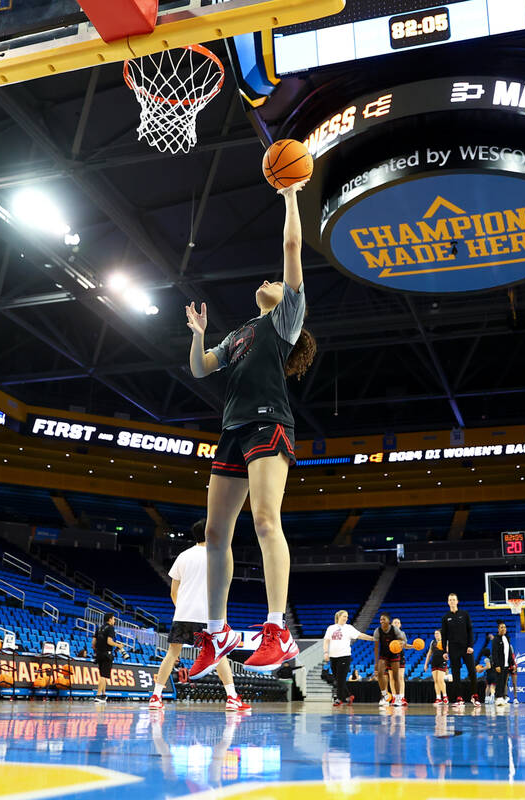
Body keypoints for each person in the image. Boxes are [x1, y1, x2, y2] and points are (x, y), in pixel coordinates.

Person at [185, 180, 317, 680]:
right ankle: (216, 633)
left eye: (279, 282)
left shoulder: (285, 320)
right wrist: (198, 338)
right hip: (233, 430)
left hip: (269, 424)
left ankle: (277, 630)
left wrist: (289, 195)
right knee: (215, 534)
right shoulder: (239, 333)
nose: (272, 280)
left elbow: (290, 246)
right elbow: (200, 370)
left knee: (264, 520)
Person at [148, 519, 249, 711]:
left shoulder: (183, 556)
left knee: (172, 654)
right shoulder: (218, 556)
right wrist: (224, 620)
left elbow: (173, 591)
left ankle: (156, 696)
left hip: (183, 615)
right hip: (209, 616)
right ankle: (232, 698)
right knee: (218, 656)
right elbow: (222, 591)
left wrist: (182, 610)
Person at [323, 610, 374, 707]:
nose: (346, 618)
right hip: (333, 657)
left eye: (347, 617)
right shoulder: (331, 628)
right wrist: (326, 652)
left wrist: (372, 638)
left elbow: (360, 635)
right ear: (339, 617)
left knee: (341, 679)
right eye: (344, 616)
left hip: (344, 656)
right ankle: (349, 696)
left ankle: (339, 699)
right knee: (337, 679)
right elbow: (326, 641)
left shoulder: (349, 628)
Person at [441, 593, 480, 707]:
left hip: (466, 648)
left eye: (454, 599)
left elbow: (470, 631)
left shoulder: (465, 614)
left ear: (457, 601)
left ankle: (474, 696)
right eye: (450, 600)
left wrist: (470, 646)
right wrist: (444, 651)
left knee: (472, 671)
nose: (452, 601)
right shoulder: (445, 617)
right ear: (448, 602)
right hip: (453, 648)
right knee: (456, 674)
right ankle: (459, 698)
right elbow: (444, 636)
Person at [93, 611, 127, 704]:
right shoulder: (111, 628)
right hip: (106, 654)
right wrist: (118, 645)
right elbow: (109, 641)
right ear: (110, 619)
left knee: (102, 675)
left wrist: (98, 650)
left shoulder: (99, 628)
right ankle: (98, 695)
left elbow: (93, 644)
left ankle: (103, 695)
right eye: (114, 619)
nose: (114, 621)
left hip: (99, 654)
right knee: (104, 675)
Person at [374, 613, 407, 707]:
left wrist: (400, 643)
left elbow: (404, 643)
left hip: (395, 655)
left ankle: (399, 697)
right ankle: (385, 696)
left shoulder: (398, 631)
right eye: (380, 619)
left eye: (383, 619)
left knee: (398, 677)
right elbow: (376, 647)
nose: (381, 621)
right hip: (384, 654)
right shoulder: (378, 631)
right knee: (381, 674)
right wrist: (376, 662)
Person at [490, 621, 517, 707]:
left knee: (504, 681)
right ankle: (498, 697)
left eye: (505, 627)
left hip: (506, 665)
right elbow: (494, 653)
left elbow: (509, 652)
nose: (504, 629)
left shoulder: (507, 638)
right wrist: (497, 665)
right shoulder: (495, 640)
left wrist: (512, 664)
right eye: (501, 627)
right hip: (499, 665)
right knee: (499, 681)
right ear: (498, 629)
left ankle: (503, 697)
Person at [430, 629, 449, 704]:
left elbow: (448, 651)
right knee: (436, 681)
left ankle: (445, 696)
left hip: (442, 662)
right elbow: (429, 653)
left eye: (437, 633)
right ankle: (438, 698)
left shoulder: (445, 641)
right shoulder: (432, 642)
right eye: (435, 633)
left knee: (440, 679)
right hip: (434, 662)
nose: (436, 635)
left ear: (441, 634)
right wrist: (425, 664)